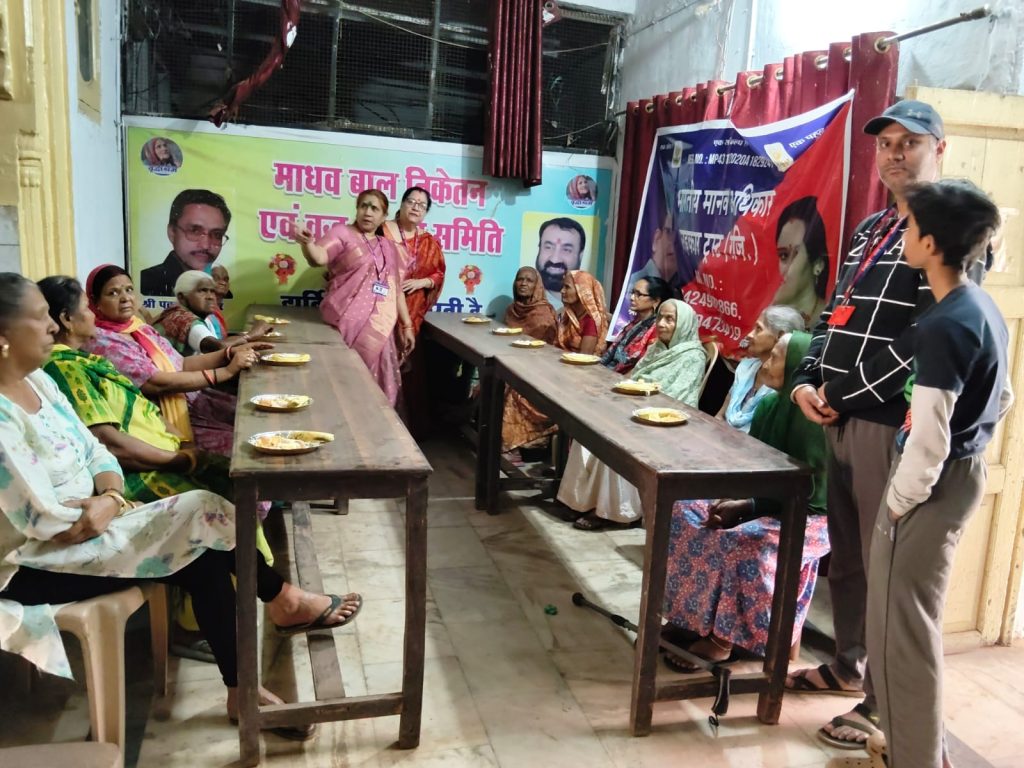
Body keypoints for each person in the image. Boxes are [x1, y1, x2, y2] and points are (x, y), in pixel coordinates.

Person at [0, 274, 362, 741]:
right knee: (202, 521)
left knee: (204, 541)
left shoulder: (39, 384)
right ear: (3, 337)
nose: (53, 326)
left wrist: (110, 498)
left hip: (97, 516)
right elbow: (43, 520)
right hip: (32, 560)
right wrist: (111, 504)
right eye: (40, 317)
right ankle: (279, 613)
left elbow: (97, 452)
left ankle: (250, 671)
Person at [787, 100, 951, 750]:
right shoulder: (873, 227)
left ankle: (882, 706)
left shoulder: (951, 228)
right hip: (838, 415)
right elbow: (836, 311)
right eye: (886, 143)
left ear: (940, 148)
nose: (894, 153)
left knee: (888, 569)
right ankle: (848, 663)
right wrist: (807, 379)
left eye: (910, 142)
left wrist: (844, 391)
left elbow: (926, 336)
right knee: (850, 557)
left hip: (888, 424)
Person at [866, 180, 1011, 768]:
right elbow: (1002, 398)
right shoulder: (979, 306)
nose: (902, 235)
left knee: (901, 633)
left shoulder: (945, 324)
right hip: (958, 472)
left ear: (930, 243)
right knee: (905, 625)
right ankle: (916, 750)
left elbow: (928, 437)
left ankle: (916, 759)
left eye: (908, 226)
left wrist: (899, 501)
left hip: (932, 482)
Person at [662, 331, 831, 669]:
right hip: (765, 503)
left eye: (776, 357)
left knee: (742, 542)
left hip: (810, 517)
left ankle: (723, 640)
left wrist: (747, 508)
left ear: (798, 366)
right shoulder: (768, 406)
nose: (766, 363)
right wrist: (732, 502)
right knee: (685, 511)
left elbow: (814, 496)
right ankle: (689, 619)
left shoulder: (819, 422)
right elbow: (753, 467)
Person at [557, 299, 706, 530]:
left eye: (670, 319)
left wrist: (640, 393)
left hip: (667, 424)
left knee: (615, 438)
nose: (662, 324)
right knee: (590, 429)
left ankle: (614, 512)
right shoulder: (657, 348)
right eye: (660, 317)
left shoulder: (693, 356)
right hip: (637, 409)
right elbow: (635, 378)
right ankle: (580, 500)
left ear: (684, 324)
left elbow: (678, 397)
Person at [83, 265, 257, 457]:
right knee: (243, 448)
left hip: (188, 399)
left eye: (129, 290)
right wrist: (227, 371)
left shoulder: (139, 328)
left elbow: (181, 364)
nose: (125, 298)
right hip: (162, 419)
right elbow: (156, 383)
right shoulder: (102, 341)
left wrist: (229, 354)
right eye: (113, 293)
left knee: (252, 421)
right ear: (95, 302)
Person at [293, 190, 415, 407]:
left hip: (379, 327)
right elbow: (318, 257)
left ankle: (374, 423)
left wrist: (406, 326)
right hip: (344, 327)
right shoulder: (343, 233)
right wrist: (308, 243)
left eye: (374, 208)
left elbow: (396, 289)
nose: (368, 212)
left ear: (384, 216)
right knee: (340, 384)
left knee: (376, 390)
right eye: (363, 206)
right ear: (357, 209)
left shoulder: (388, 247)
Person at [501, 270, 608, 453]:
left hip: (577, 379)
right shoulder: (568, 316)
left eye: (567, 287)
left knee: (521, 392)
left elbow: (583, 361)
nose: (562, 291)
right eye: (562, 287)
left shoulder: (591, 321)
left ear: (581, 291)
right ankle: (523, 443)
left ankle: (531, 442)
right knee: (517, 382)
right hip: (559, 370)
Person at [717, 305, 805, 433]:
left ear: (780, 336)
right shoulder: (746, 368)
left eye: (758, 329)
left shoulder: (784, 387)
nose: (749, 335)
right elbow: (720, 416)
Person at [140, 189, 232, 297]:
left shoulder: (222, 294)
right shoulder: (145, 284)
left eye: (217, 235)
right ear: (172, 232)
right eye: (195, 231)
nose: (205, 245)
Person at [153, 270, 270, 355]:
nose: (210, 297)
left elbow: (219, 342)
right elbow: (218, 347)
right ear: (182, 297)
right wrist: (251, 335)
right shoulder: (184, 319)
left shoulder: (192, 314)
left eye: (212, 291)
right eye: (203, 291)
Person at [381, 186, 446, 337]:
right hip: (381, 304)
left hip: (413, 309)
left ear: (425, 212)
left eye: (422, 205)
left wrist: (422, 282)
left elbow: (439, 274)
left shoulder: (428, 241)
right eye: (411, 202)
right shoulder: (381, 230)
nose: (416, 208)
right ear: (402, 203)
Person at [773, 196, 831, 323]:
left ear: (818, 265)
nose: (783, 270)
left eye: (789, 255)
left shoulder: (828, 322)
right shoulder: (772, 317)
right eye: (782, 256)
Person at [600, 276, 673, 374]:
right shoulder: (635, 323)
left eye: (638, 294)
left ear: (655, 301)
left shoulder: (657, 329)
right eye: (633, 293)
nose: (632, 298)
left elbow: (644, 366)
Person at [535, 217, 586, 308]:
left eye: (566, 250)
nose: (555, 259)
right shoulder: (523, 304)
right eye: (548, 247)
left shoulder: (588, 307)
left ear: (580, 255)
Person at [504, 266, 557, 344]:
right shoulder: (511, 310)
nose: (523, 284)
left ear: (537, 285)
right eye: (520, 279)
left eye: (529, 281)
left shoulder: (544, 314)